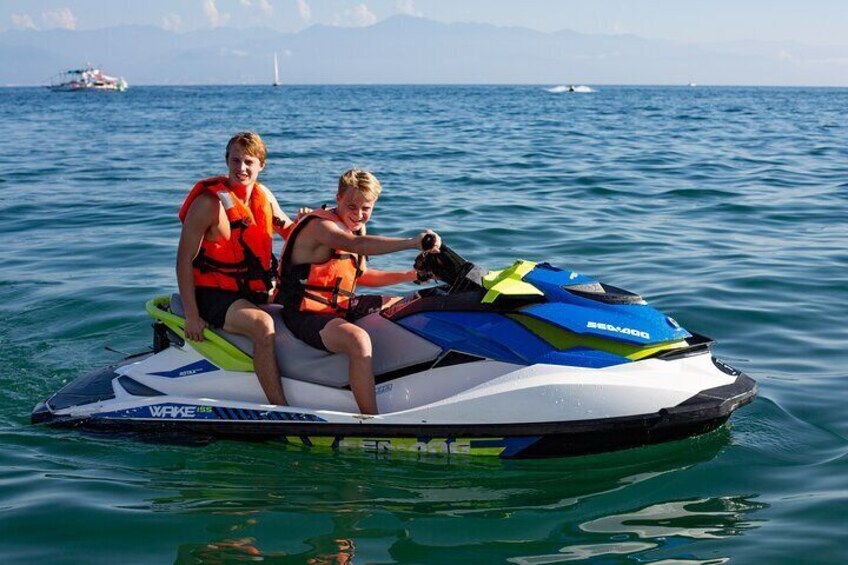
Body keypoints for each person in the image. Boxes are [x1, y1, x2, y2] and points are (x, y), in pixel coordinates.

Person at [277, 168, 440, 415]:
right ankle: (370, 418)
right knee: (358, 341)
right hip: (305, 314)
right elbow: (354, 245)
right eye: (352, 206)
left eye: (366, 208)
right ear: (338, 198)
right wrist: (411, 243)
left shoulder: (354, 227)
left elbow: (361, 277)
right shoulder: (321, 227)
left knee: (406, 308)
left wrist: (411, 276)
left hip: (340, 306)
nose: (359, 215)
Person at [176, 132, 296, 406]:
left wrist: (313, 222)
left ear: (261, 165)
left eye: (249, 162)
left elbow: (291, 233)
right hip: (212, 295)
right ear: (227, 161)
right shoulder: (209, 204)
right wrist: (192, 316)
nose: (241, 168)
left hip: (253, 292)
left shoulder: (263, 195)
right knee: (263, 324)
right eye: (235, 160)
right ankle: (281, 408)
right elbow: (183, 260)